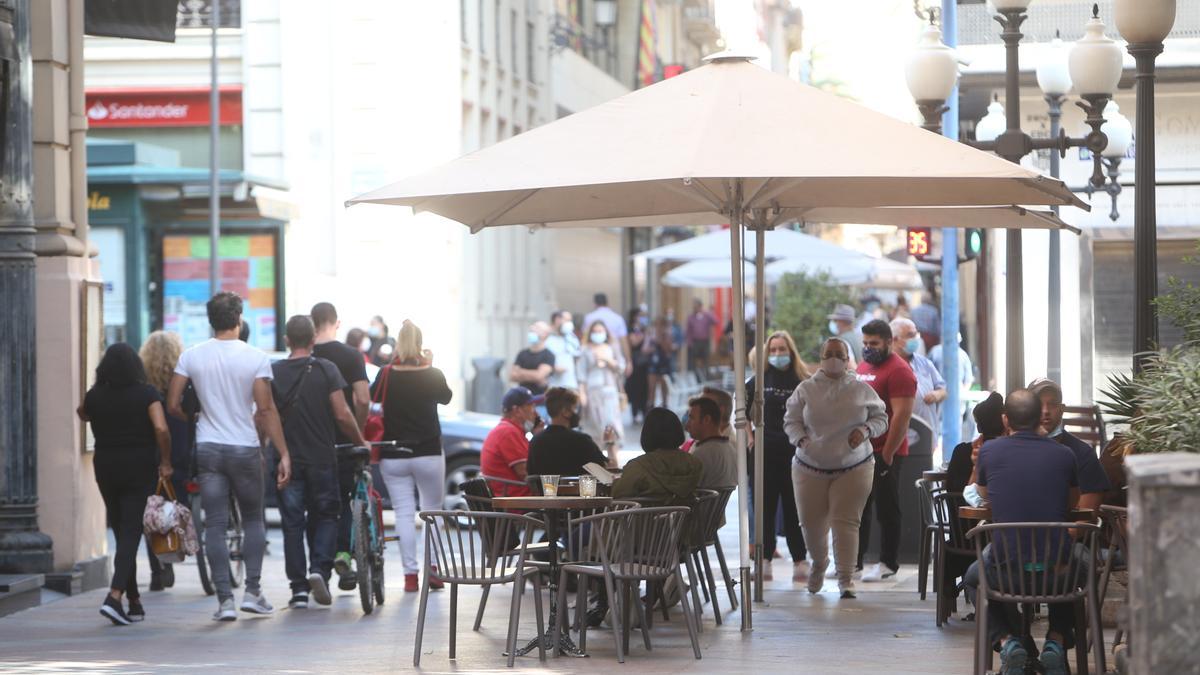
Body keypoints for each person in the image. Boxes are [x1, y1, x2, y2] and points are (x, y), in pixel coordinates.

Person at [167, 291, 292, 621]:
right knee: (253, 519)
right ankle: (252, 591)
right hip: (244, 448)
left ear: (210, 321)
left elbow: (173, 404)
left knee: (216, 525)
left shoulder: (192, 356)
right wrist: (283, 453)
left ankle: (224, 601)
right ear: (239, 319)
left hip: (208, 448)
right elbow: (265, 410)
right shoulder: (255, 357)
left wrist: (195, 419)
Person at [965, 389, 1081, 675]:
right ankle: (1055, 642)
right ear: (1039, 418)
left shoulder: (990, 451)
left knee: (973, 578)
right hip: (1057, 573)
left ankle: (1008, 643)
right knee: (1081, 566)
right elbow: (1073, 502)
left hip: (1006, 571)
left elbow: (981, 494)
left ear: (1006, 420)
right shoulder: (1065, 454)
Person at [271, 315, 367, 609]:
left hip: (288, 459)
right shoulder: (327, 369)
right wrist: (359, 439)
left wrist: (278, 452)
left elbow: (266, 414)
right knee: (326, 514)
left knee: (292, 523)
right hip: (323, 457)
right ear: (313, 340)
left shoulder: (273, 371)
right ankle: (319, 571)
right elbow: (341, 413)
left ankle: (298, 589)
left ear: (287, 340)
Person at [784, 338, 887, 598]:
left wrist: (865, 430)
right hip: (810, 467)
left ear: (846, 358)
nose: (833, 358)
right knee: (811, 524)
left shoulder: (861, 389)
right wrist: (801, 439)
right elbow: (791, 421)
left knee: (847, 523)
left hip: (854, 466)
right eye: (828, 354)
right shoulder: (806, 389)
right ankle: (819, 564)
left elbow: (881, 418)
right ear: (820, 358)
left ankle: (846, 579)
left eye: (838, 354)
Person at [79, 344, 174, 625]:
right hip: (139, 467)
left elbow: (82, 413)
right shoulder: (147, 394)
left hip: (106, 466)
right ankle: (115, 595)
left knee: (123, 532)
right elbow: (160, 427)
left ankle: (133, 602)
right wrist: (166, 460)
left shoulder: (95, 395)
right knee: (131, 530)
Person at [371, 320, 454, 593]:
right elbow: (446, 397)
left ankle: (410, 576)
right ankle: (432, 569)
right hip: (428, 452)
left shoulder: (386, 374)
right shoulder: (431, 373)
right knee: (433, 511)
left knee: (404, 514)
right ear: (420, 343)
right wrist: (430, 365)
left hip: (393, 453)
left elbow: (372, 398)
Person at [309, 302, 371, 592]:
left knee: (318, 506)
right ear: (337, 323)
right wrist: (356, 432)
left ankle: (317, 566)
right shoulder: (351, 355)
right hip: (346, 441)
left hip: (312, 443)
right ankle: (344, 555)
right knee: (348, 498)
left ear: (312, 322)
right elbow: (362, 399)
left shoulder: (304, 353)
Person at [746, 330, 810, 581]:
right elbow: (741, 416)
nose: (777, 354)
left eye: (782, 349)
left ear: (791, 351)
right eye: (772, 350)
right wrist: (751, 439)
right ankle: (764, 560)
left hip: (796, 454)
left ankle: (800, 559)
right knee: (764, 508)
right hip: (764, 453)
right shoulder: (758, 380)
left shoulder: (803, 381)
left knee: (795, 509)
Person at [855, 318, 916, 582]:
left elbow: (902, 416)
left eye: (874, 343)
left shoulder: (899, 371)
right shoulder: (864, 365)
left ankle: (888, 562)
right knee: (858, 507)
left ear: (889, 342)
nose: (869, 348)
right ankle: (853, 562)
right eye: (865, 343)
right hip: (860, 450)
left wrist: (888, 453)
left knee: (887, 508)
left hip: (885, 450)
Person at [138, 330, 192, 591]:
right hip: (182, 453)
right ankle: (182, 545)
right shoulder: (183, 385)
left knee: (152, 511)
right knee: (181, 503)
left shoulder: (143, 388)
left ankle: (159, 568)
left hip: (152, 457)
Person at [1027, 378, 1111, 512]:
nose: (1045, 411)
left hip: (1061, 532)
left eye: (1052, 404)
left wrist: (1061, 533)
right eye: (1038, 404)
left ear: (1062, 409)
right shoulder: (1013, 451)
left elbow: (1085, 519)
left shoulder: (1082, 453)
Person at [612, 407, 702, 505]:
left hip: (645, 520)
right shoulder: (695, 464)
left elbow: (617, 496)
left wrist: (615, 482)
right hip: (686, 519)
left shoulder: (638, 467)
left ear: (647, 434)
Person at [528, 387, 612, 476]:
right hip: (578, 490)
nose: (577, 413)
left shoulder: (535, 442)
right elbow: (606, 473)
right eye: (575, 408)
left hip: (547, 490)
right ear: (565, 412)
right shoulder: (582, 441)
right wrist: (609, 443)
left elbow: (531, 474)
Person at [891, 318, 947, 450]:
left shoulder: (924, 363)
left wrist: (936, 395)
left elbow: (943, 389)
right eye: (910, 335)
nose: (916, 338)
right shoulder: (888, 367)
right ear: (894, 339)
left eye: (916, 334)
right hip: (899, 442)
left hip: (927, 439)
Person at [481, 386, 544, 497]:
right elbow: (528, 474)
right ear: (517, 410)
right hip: (517, 506)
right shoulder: (508, 432)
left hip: (515, 501)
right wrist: (540, 440)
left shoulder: (510, 430)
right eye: (532, 407)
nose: (536, 413)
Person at [579, 320, 626, 455]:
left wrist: (607, 360)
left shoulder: (611, 348)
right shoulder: (585, 349)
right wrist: (582, 393)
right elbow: (581, 373)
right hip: (593, 391)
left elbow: (621, 367)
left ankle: (613, 457)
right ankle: (597, 456)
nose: (598, 334)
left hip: (610, 391)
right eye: (595, 332)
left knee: (612, 426)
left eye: (600, 331)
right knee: (595, 426)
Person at [685, 396, 737, 489]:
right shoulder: (730, 448)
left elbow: (685, 491)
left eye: (691, 418)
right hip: (718, 503)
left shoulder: (702, 452)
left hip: (699, 503)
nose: (687, 425)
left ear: (706, 419)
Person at [583, 292, 631, 377]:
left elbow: (584, 338)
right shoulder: (617, 318)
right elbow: (624, 341)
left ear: (594, 304)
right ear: (608, 303)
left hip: (595, 357)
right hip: (613, 354)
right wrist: (628, 361)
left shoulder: (589, 317)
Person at [510, 321, 555, 396]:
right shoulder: (522, 353)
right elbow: (512, 376)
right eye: (531, 330)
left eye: (537, 329)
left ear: (545, 335)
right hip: (522, 400)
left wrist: (520, 372)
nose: (532, 330)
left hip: (539, 400)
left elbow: (539, 376)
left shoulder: (548, 355)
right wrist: (534, 375)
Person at [645, 317, 677, 409]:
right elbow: (645, 349)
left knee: (664, 386)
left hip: (664, 363)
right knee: (652, 387)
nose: (658, 327)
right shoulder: (651, 334)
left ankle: (665, 406)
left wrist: (662, 339)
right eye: (656, 325)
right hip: (653, 363)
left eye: (660, 325)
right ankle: (651, 407)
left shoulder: (667, 335)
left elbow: (668, 349)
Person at [625, 307, 650, 422]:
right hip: (635, 362)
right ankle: (635, 412)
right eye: (640, 315)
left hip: (645, 363)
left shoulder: (644, 328)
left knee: (645, 387)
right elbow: (633, 342)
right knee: (635, 387)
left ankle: (644, 411)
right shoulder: (631, 329)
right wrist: (643, 335)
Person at [545, 310, 581, 390]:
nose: (569, 323)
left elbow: (577, 357)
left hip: (571, 385)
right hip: (555, 386)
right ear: (557, 320)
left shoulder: (572, 339)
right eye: (567, 320)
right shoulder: (547, 340)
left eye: (570, 320)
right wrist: (553, 368)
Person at [685, 299, 719, 380]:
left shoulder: (706, 316)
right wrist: (689, 343)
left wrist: (707, 313)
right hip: (695, 342)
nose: (695, 308)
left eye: (696, 306)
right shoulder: (691, 317)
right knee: (693, 362)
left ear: (700, 306)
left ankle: (707, 376)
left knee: (706, 360)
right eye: (694, 306)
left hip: (705, 342)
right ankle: (695, 378)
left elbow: (716, 321)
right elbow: (688, 331)